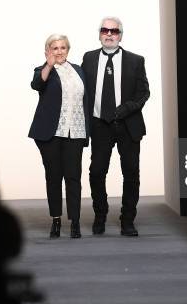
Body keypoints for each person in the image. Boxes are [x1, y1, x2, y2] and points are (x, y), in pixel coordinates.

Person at [81, 17, 149, 237]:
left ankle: (127, 220)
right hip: (100, 124)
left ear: (121, 35)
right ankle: (100, 215)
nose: (109, 34)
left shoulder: (136, 60)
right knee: (96, 172)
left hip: (128, 124)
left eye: (114, 31)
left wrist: (125, 109)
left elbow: (143, 93)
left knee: (131, 173)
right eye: (104, 30)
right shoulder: (89, 58)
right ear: (99, 33)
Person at [28, 34, 89, 239]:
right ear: (48, 51)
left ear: (68, 50)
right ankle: (56, 220)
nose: (59, 51)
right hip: (51, 133)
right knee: (54, 177)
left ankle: (75, 222)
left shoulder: (78, 70)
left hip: (76, 132)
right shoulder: (43, 70)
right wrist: (48, 64)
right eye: (55, 48)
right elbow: (37, 84)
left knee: (73, 177)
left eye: (63, 47)